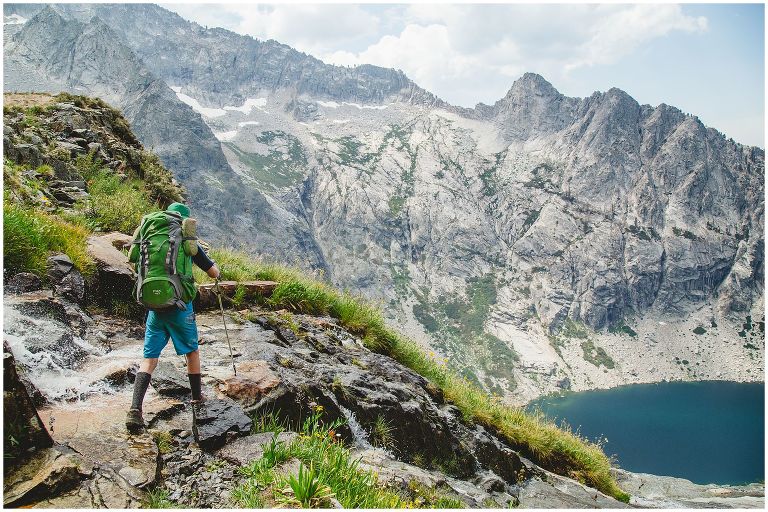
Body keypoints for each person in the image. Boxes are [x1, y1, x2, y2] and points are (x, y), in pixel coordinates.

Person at [125, 202, 220, 433]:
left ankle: (135, 410)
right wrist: (216, 272)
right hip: (180, 307)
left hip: (155, 307)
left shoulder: (150, 232)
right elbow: (212, 271)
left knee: (149, 358)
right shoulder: (186, 239)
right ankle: (197, 399)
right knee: (192, 351)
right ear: (183, 220)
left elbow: (132, 258)